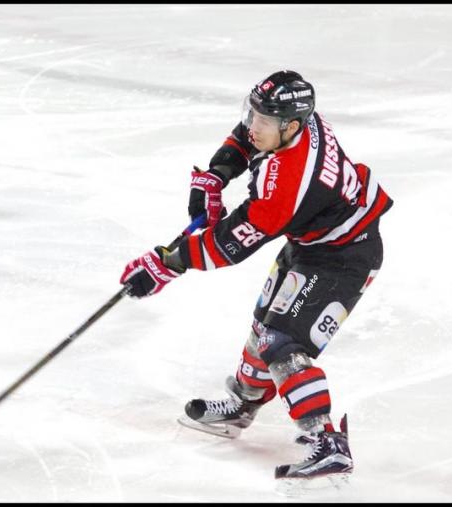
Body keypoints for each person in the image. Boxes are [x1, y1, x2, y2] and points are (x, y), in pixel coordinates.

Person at [119, 70, 393, 480]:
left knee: (282, 341)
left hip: (344, 257)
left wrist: (167, 264)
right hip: (313, 243)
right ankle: (244, 404)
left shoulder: (289, 184)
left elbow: (230, 243)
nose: (253, 125)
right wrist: (216, 175)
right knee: (263, 327)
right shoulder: (296, 124)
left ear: (292, 126)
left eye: (263, 121)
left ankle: (327, 442)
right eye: (255, 114)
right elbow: (249, 137)